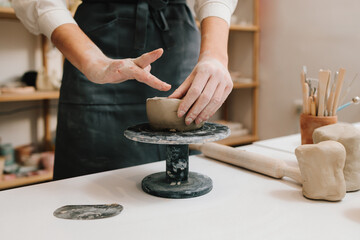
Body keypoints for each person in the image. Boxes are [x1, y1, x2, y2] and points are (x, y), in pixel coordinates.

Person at [12, 0, 237, 180]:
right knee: (90, 183)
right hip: (95, 40)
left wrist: (215, 55)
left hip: (177, 36)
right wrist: (93, 61)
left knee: (179, 176)